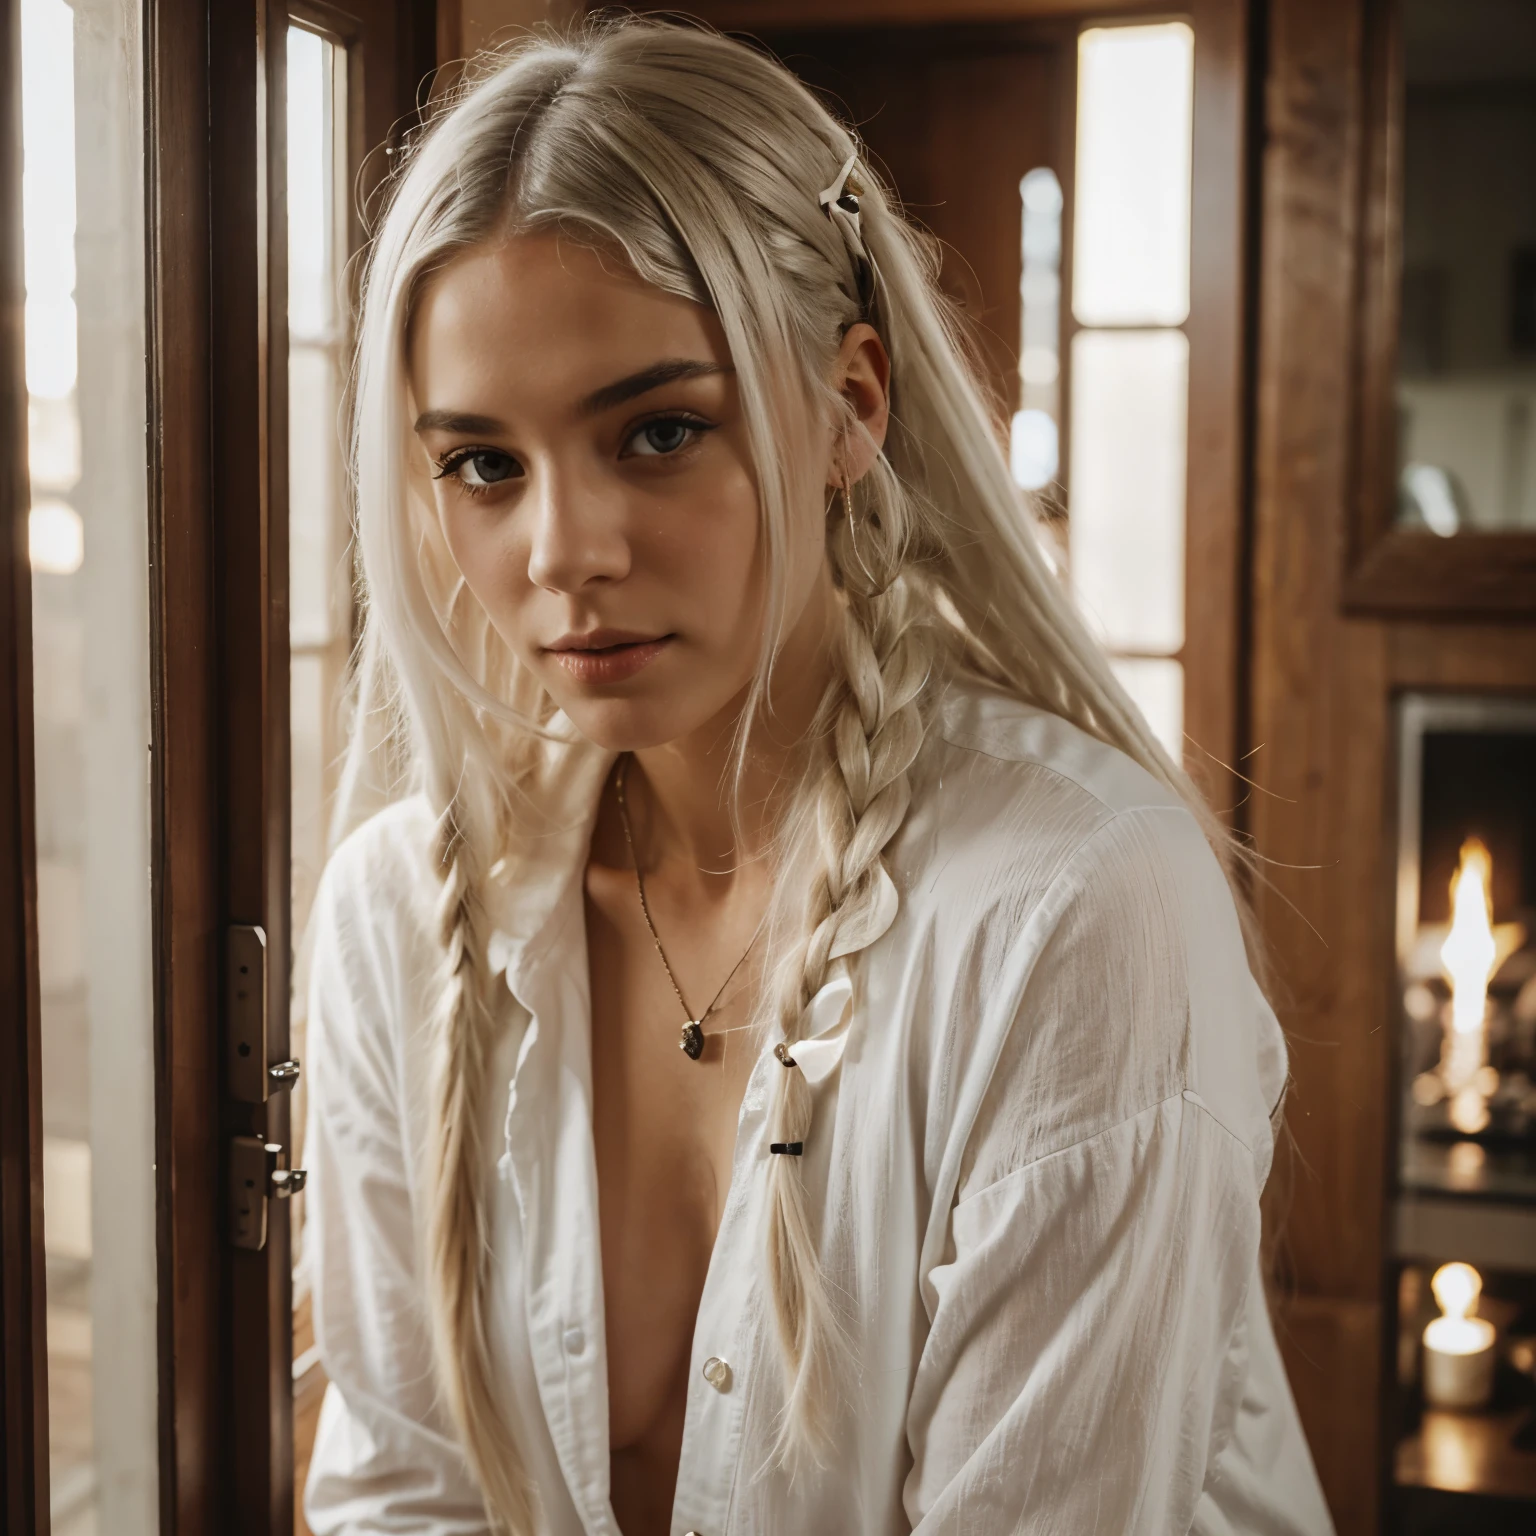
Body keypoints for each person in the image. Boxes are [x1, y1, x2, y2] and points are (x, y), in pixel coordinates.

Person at [301, 16, 1334, 1535]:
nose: (562, 553)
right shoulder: (399, 910)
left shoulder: (1069, 909)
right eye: (481, 464)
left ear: (853, 403)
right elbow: (401, 1498)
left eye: (656, 431)